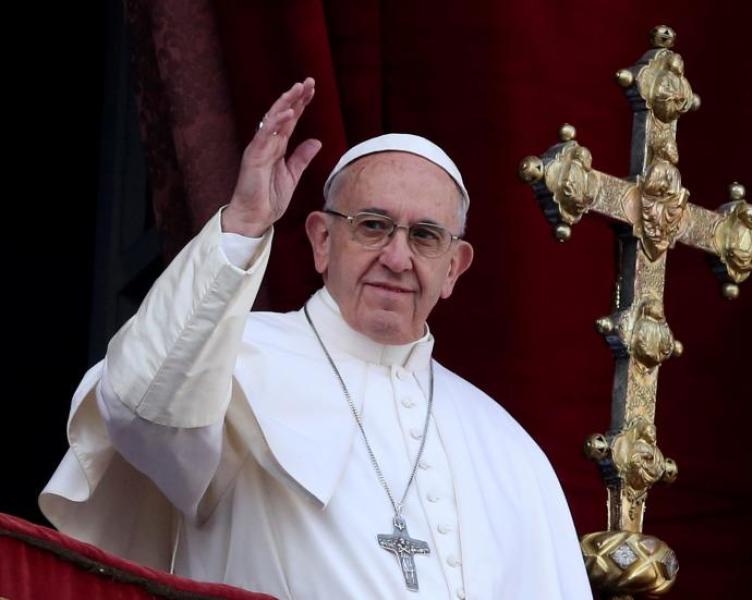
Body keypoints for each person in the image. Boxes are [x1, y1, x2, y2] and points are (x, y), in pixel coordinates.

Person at [41, 78, 592, 599]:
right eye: (372, 226)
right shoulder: (230, 364)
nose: (397, 259)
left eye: (425, 237)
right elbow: (139, 409)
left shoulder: (509, 448)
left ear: (454, 268)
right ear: (322, 239)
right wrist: (245, 223)